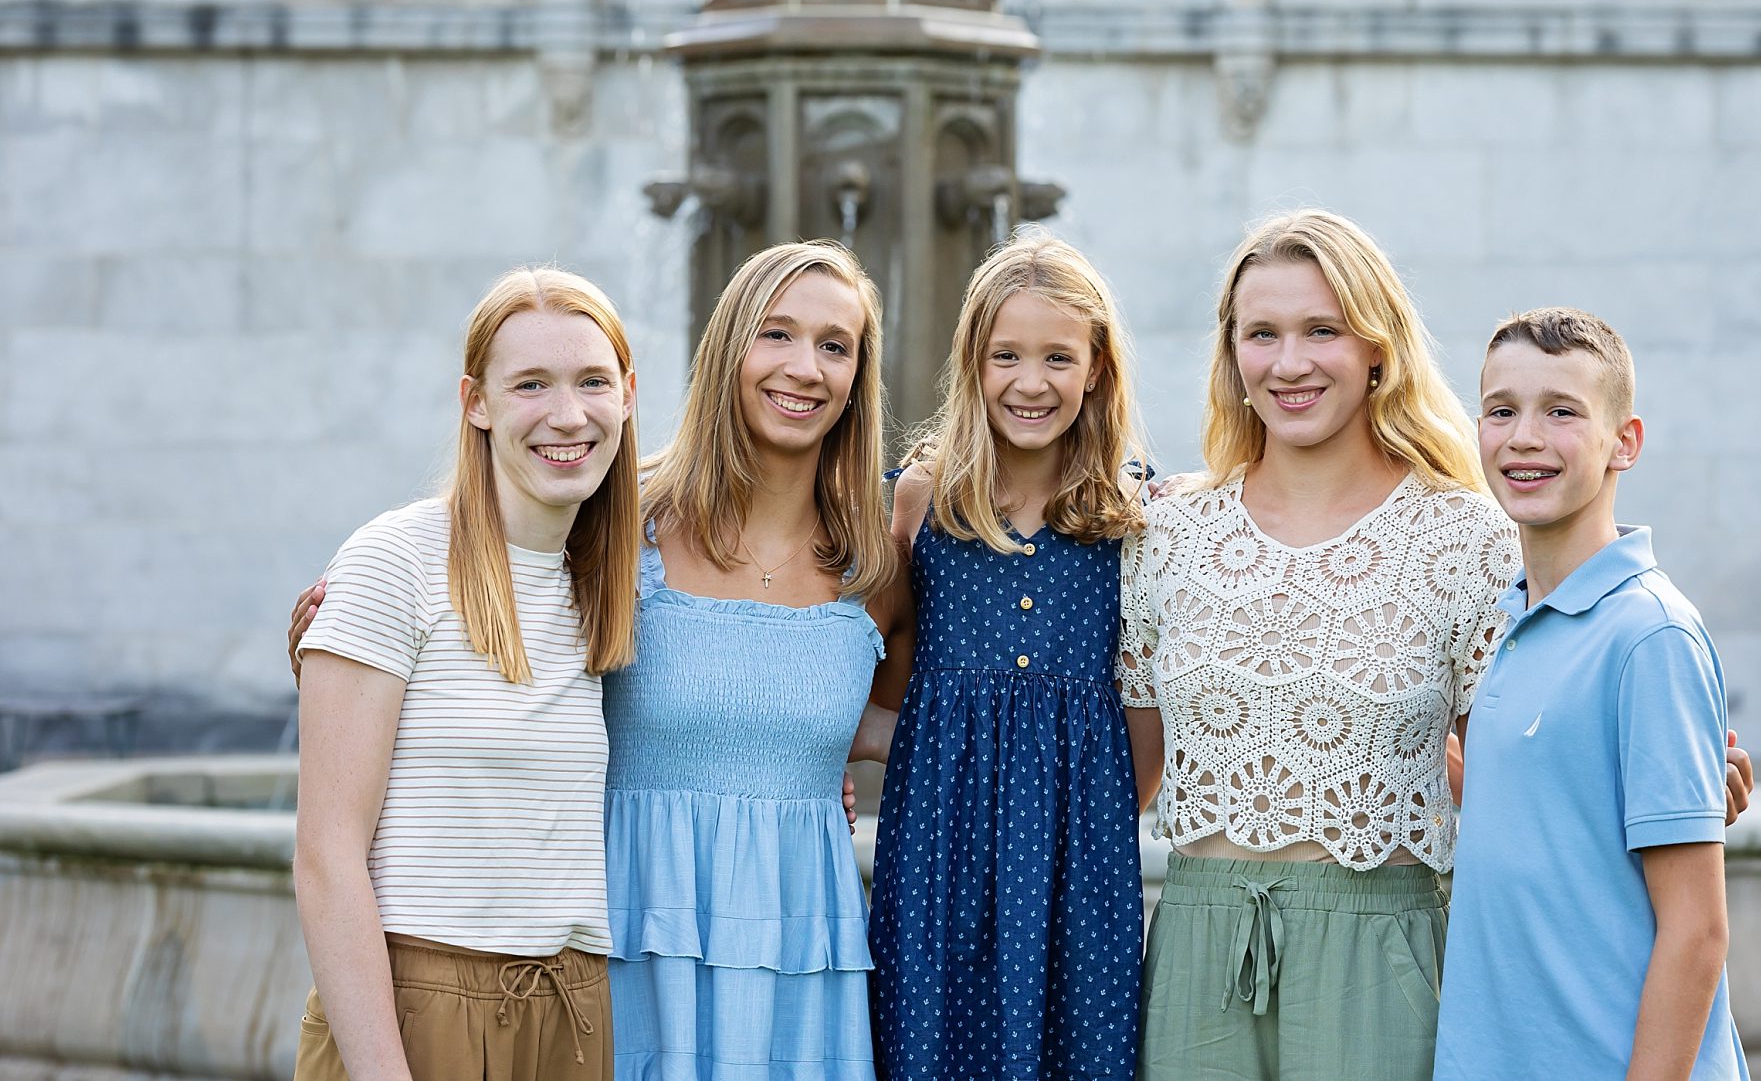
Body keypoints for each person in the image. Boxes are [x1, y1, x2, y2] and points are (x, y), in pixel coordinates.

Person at [1118, 209, 1513, 1080]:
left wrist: (1655, 774)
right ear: (1233, 355)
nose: (1288, 363)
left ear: (1377, 348)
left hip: (1379, 954)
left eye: (1321, 330)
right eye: (1262, 334)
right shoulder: (1168, 534)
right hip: (1194, 947)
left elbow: (1515, 773)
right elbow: (1122, 774)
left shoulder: (1467, 539)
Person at [291, 267, 639, 1081]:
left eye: (592, 381)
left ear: (627, 395)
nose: (568, 415)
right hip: (423, 1008)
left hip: (574, 1009)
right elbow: (326, 854)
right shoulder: (395, 560)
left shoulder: (608, 583)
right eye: (531, 384)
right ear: (475, 402)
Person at [603, 239, 908, 1080]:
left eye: (834, 345)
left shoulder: (877, 570)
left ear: (856, 377)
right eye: (776, 335)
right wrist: (369, 602)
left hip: (800, 961)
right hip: (632, 945)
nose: (804, 368)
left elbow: (919, 723)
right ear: (729, 347)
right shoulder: (621, 525)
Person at [862, 233, 1154, 1079]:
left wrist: (1088, 805)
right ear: (973, 363)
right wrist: (882, 749)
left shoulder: (1131, 514)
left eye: (1059, 356)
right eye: (1007, 356)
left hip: (1080, 855)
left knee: (1079, 1048)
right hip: (937, 848)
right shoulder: (922, 499)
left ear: (1097, 366)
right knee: (931, 1044)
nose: (1032, 383)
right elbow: (872, 668)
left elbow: (1146, 714)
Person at [1432, 308, 1750, 1080]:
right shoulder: (1512, 624)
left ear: (1625, 443)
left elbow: (1697, 932)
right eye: (1502, 411)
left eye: (1562, 412)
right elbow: (1545, 827)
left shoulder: (1650, 636)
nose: (1525, 437)